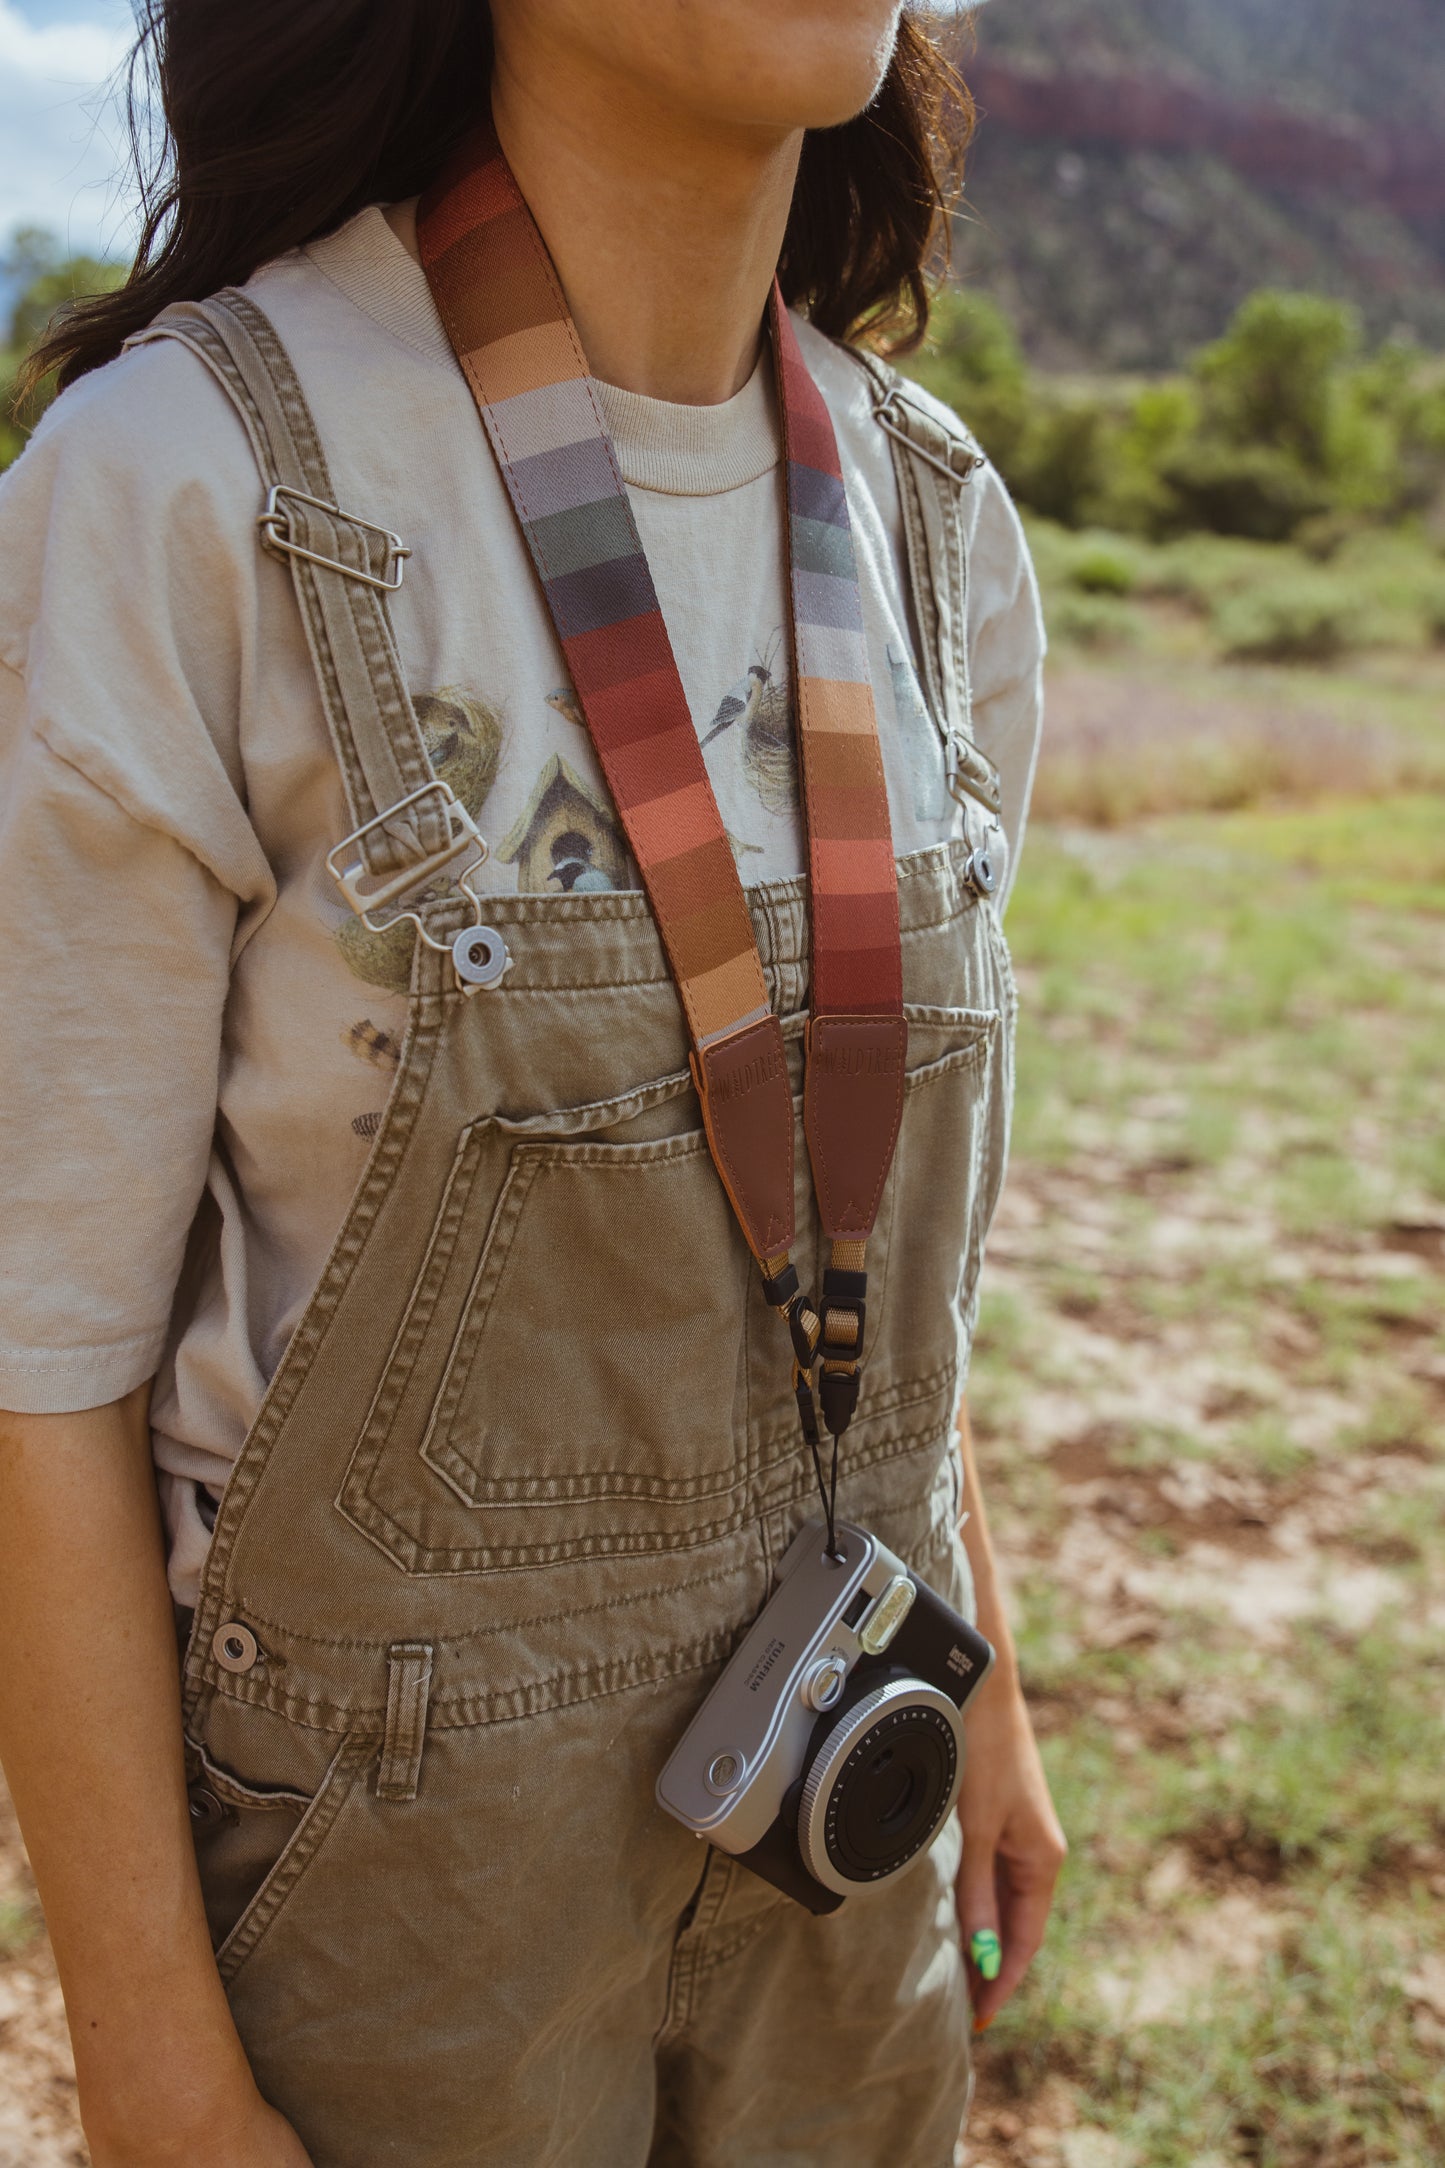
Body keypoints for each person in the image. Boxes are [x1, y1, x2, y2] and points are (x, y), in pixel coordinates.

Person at [0, 3, 1065, 2162]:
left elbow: (872, 1256)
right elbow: (43, 1369)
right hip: (405, 1906)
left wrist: (996, 1684)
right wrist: (156, 2071)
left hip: (846, 1800)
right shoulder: (189, 485)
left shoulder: (941, 529)